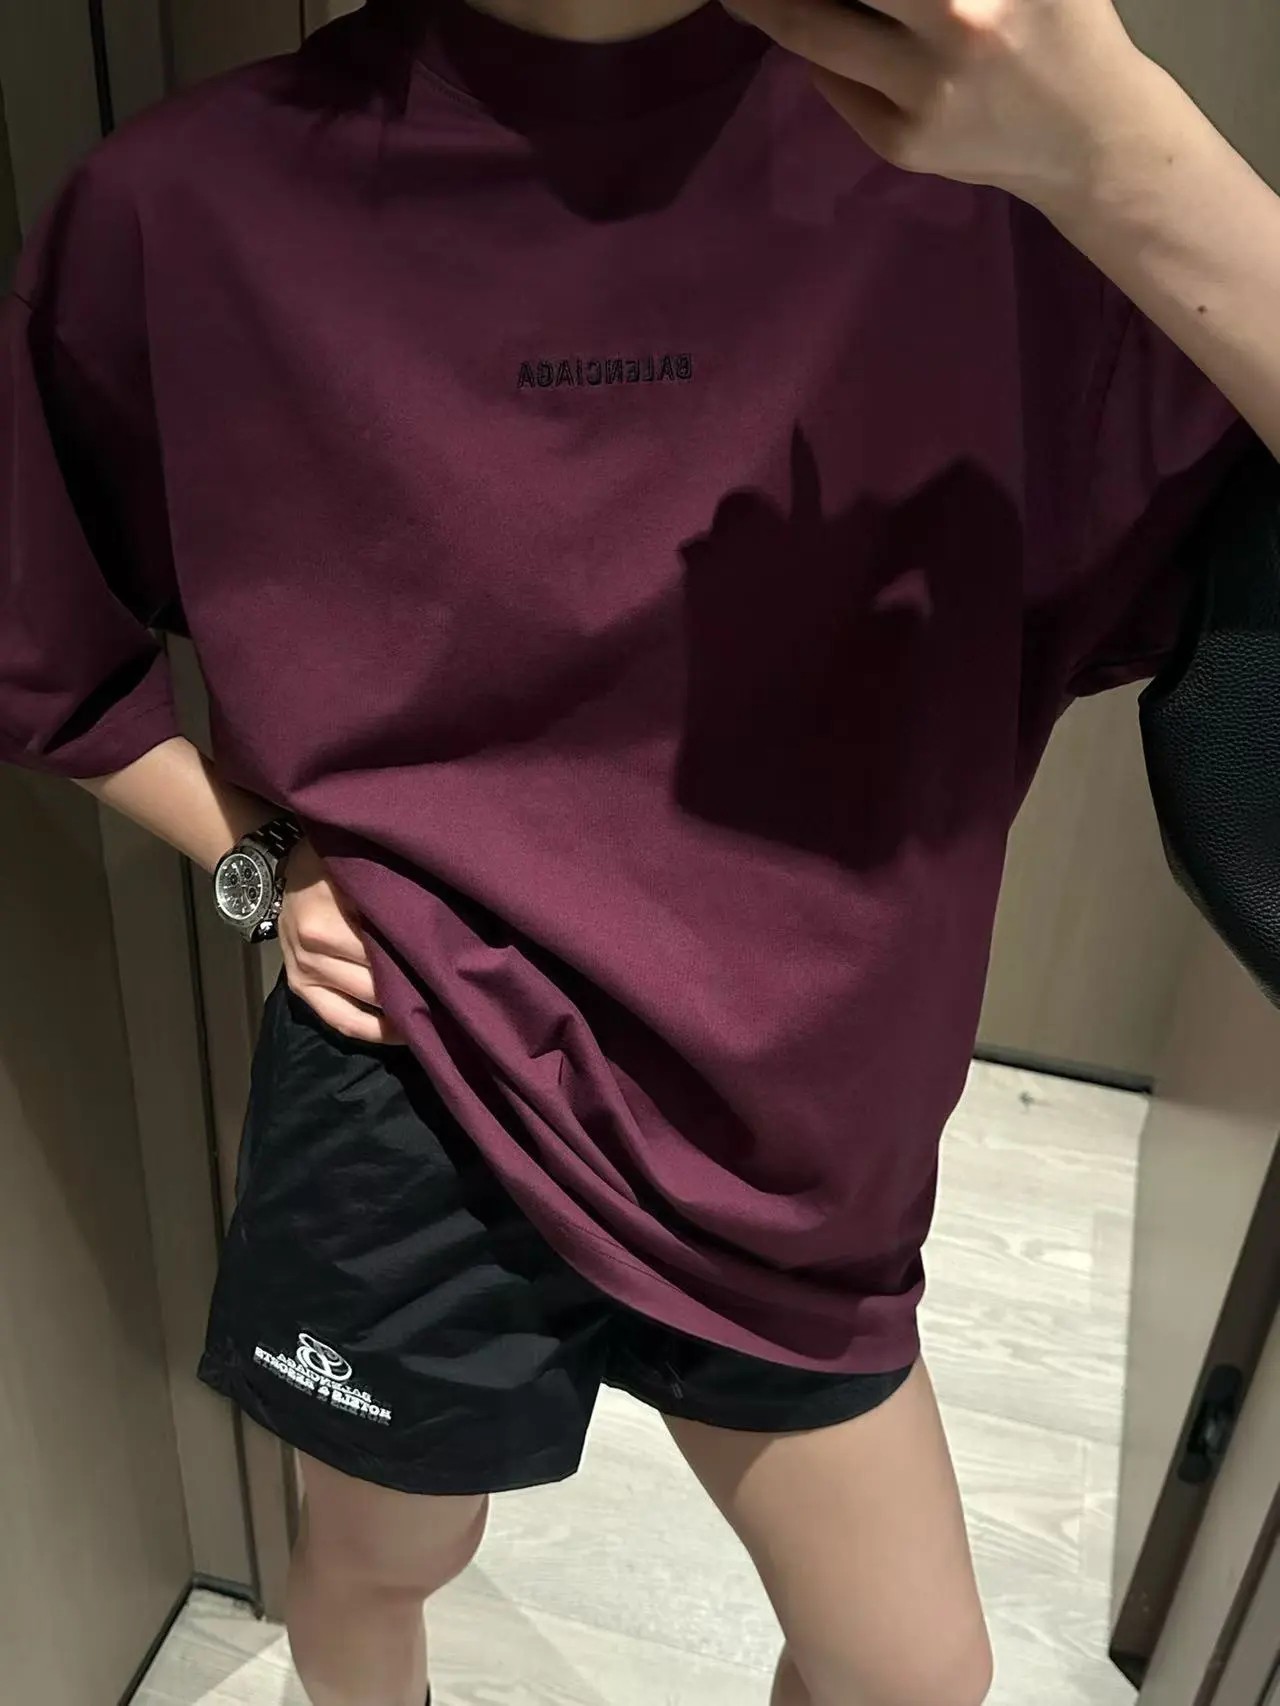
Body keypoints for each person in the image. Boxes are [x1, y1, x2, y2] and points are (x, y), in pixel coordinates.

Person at [2, 1, 1277, 1702]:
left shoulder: (1007, 188)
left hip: (797, 1110)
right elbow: (40, 635)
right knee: (381, 1556)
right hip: (415, 1056)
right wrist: (258, 861)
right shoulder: (190, 204)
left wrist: (1131, 159)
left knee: (911, 1670)